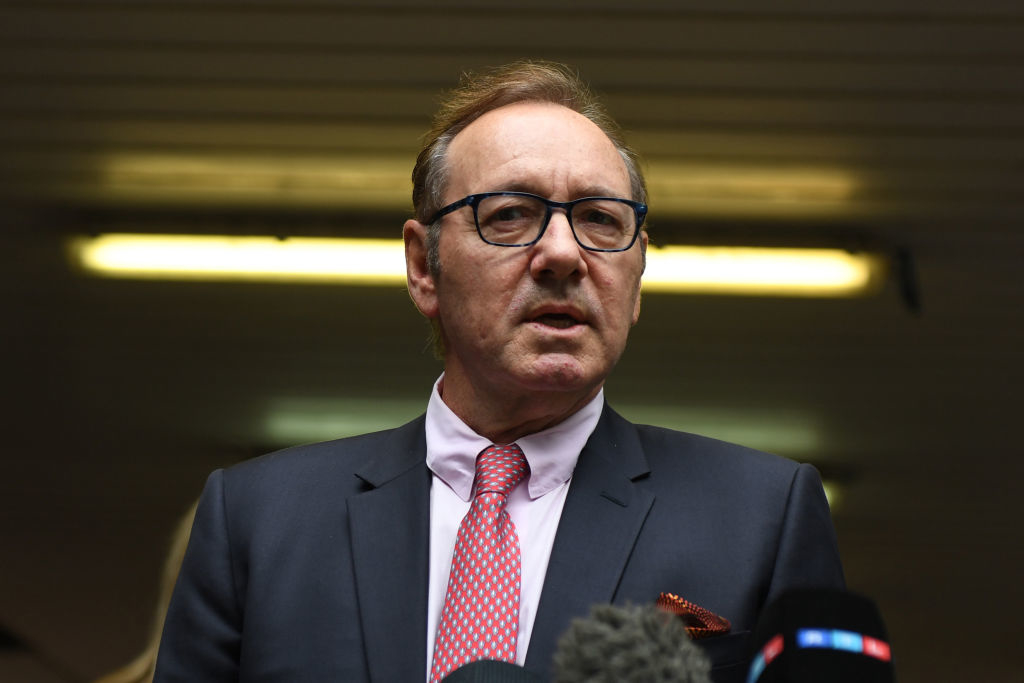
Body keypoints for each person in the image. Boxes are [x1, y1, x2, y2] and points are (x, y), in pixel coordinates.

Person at [153, 60, 844, 683]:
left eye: (601, 219)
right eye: (511, 215)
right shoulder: (260, 520)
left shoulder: (762, 513)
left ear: (637, 278)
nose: (563, 253)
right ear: (424, 265)